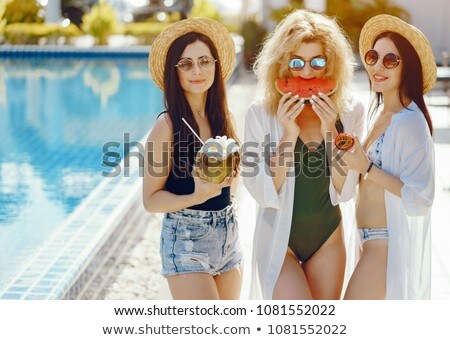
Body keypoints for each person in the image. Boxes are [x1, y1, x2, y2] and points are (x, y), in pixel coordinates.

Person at [243, 9, 365, 300]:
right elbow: (262, 190)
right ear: (283, 65)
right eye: (297, 62)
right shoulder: (260, 113)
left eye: (317, 62)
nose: (307, 72)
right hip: (279, 242)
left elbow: (344, 190)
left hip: (329, 239)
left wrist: (329, 130)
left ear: (331, 63)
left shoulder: (350, 111)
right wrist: (289, 133)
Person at [143, 18, 243, 300]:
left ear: (215, 65)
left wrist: (229, 190)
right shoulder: (167, 126)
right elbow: (151, 200)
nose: (197, 70)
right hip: (187, 239)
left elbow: (233, 181)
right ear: (175, 73)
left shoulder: (225, 119)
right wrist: (198, 195)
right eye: (186, 64)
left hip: (229, 235)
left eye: (204, 61)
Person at [343, 14, 436, 300]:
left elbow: (421, 198)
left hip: (385, 245)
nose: (378, 67)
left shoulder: (411, 122)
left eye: (390, 60)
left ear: (407, 67)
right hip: (365, 242)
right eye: (373, 57)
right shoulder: (381, 115)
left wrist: (367, 167)